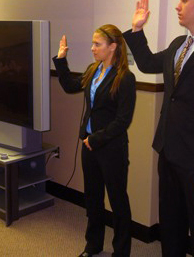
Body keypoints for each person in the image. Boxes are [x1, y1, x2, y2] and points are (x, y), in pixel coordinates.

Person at [123, 0, 194, 257]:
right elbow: (147, 63)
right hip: (168, 151)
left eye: (183, 0)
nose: (177, 6)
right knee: (171, 226)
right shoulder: (180, 43)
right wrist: (136, 30)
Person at [52, 24, 136, 257]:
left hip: (111, 147)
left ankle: (121, 251)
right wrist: (61, 59)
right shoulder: (93, 70)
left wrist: (96, 139)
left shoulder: (125, 78)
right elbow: (70, 86)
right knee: (93, 197)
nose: (92, 48)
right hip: (89, 146)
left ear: (113, 47)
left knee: (118, 201)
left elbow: (123, 120)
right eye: (93, 43)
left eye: (97, 44)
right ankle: (93, 245)